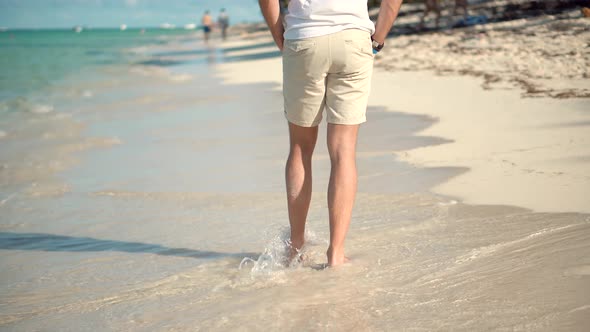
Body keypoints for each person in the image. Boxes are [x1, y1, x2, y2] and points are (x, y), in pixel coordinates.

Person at [258, 0, 403, 267]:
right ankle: (336, 253)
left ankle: (296, 246)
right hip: (353, 38)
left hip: (305, 38)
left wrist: (280, 35)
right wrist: (378, 38)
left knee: (301, 148)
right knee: (343, 150)